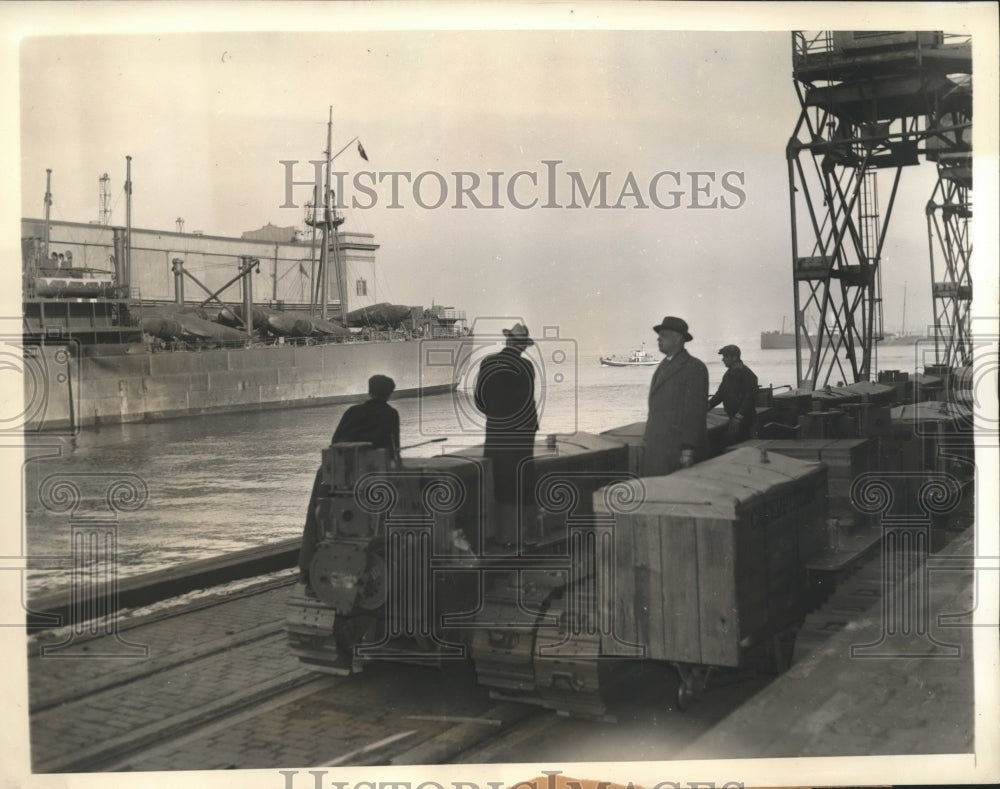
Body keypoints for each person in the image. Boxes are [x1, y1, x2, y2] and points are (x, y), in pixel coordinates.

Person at [297, 374, 400, 587]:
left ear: (369, 390)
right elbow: (393, 452)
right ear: (389, 394)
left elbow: (335, 441)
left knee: (314, 519)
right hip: (369, 476)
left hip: (334, 473)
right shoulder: (391, 414)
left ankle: (306, 571)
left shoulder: (352, 411)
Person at [474, 322, 540, 508]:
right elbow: (526, 399)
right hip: (522, 429)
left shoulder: (487, 362)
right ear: (523, 346)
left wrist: (494, 415)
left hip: (496, 426)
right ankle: (524, 522)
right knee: (522, 473)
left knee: (497, 471)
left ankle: (499, 523)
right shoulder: (526, 366)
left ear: (508, 341)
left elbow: (479, 399)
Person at [643, 316, 709, 476]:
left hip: (675, 450)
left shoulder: (694, 367)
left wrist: (688, 449)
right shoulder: (664, 365)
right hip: (656, 446)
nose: (658, 338)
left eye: (664, 335)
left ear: (678, 338)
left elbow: (695, 412)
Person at [708, 344, 759, 444]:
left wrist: (738, 417)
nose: (723, 359)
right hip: (733, 417)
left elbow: (750, 399)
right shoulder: (728, 374)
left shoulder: (748, 375)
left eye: (725, 356)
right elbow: (720, 394)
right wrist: (708, 405)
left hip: (745, 421)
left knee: (744, 446)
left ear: (735, 357)